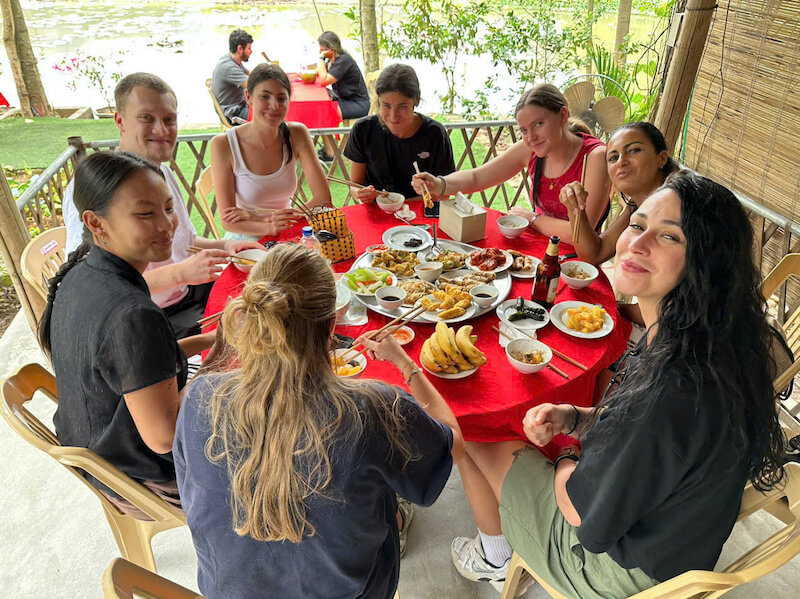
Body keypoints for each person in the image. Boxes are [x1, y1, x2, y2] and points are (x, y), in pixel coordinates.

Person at [448, 170, 786, 597]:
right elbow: (637, 433)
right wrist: (574, 417)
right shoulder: (707, 339)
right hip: (676, 540)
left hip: (614, 572)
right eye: (638, 225)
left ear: (705, 261)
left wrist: (567, 457)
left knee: (477, 433)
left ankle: (494, 557)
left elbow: (580, 514)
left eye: (670, 237)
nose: (636, 244)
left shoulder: (673, 390)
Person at [173, 243, 464, 599]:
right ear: (331, 327)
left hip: (228, 591)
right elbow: (454, 441)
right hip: (354, 591)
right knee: (385, 477)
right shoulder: (373, 410)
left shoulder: (200, 398)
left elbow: (194, 497)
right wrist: (406, 366)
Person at [40, 151, 219, 518]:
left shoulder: (78, 270)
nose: (167, 225)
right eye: (145, 214)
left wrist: (212, 342)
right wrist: (219, 369)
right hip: (141, 478)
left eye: (168, 208)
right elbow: (164, 436)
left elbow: (139, 370)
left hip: (99, 444)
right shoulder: (132, 315)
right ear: (96, 223)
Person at [63, 73, 262, 339]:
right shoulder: (96, 190)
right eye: (147, 118)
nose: (162, 130)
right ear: (120, 121)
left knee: (269, 297)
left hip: (191, 293)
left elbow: (187, 241)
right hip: (151, 317)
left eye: (169, 119)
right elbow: (93, 288)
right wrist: (180, 273)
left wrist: (226, 246)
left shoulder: (163, 173)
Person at [413, 84, 610, 243]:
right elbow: (477, 177)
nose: (531, 137)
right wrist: (439, 184)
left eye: (539, 124)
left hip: (579, 265)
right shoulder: (532, 149)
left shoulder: (594, 157)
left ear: (563, 116)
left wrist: (532, 218)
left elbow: (580, 233)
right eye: (524, 130)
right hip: (541, 246)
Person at [210, 63, 331, 240]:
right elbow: (228, 220)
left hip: (287, 230)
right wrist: (267, 225)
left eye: (281, 98)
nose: (274, 106)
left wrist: (276, 220)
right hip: (248, 236)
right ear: (248, 97)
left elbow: (323, 199)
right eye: (265, 97)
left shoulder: (297, 134)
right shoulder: (223, 144)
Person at [559, 121, 680, 265]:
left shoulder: (679, 206)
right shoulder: (638, 204)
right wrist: (574, 206)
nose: (621, 162)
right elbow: (594, 254)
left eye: (634, 150)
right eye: (613, 158)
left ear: (662, 158)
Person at [344, 63, 455, 204]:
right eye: (386, 105)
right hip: (377, 212)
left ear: (417, 100)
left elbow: (446, 192)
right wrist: (361, 193)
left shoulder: (435, 133)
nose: (393, 116)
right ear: (378, 101)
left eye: (402, 106)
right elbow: (355, 184)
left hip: (419, 213)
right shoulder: (363, 130)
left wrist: (431, 191)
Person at [316, 31, 370, 121]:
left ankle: (329, 135)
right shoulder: (333, 60)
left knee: (325, 112)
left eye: (321, 50)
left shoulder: (343, 61)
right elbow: (319, 72)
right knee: (320, 107)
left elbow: (324, 80)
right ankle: (327, 135)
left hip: (357, 103)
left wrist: (321, 57)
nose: (319, 52)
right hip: (344, 100)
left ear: (330, 49)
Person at [211, 29, 254, 123]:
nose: (251, 52)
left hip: (239, 107)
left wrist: (267, 71)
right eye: (249, 48)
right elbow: (252, 85)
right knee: (267, 116)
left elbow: (250, 74)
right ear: (240, 49)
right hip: (233, 113)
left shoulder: (231, 59)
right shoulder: (228, 67)